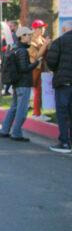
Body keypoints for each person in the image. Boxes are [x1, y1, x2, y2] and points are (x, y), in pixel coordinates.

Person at [0, 26, 49, 141]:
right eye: (28, 35)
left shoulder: (15, 48)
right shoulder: (22, 51)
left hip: (16, 83)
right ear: (22, 37)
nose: (30, 37)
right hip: (23, 83)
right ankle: (16, 133)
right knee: (22, 109)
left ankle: (4, 130)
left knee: (14, 107)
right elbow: (24, 68)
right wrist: (36, 62)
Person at [46, 20, 72, 153]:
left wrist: (58, 70)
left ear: (64, 29)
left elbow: (50, 61)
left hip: (64, 82)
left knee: (63, 114)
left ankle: (65, 143)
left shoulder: (59, 42)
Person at [29, 19, 49, 121]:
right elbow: (36, 56)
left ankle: (37, 112)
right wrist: (45, 45)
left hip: (40, 67)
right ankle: (36, 114)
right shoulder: (31, 41)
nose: (43, 29)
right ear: (34, 29)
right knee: (36, 91)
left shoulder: (41, 39)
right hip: (34, 69)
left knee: (39, 91)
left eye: (43, 27)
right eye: (41, 28)